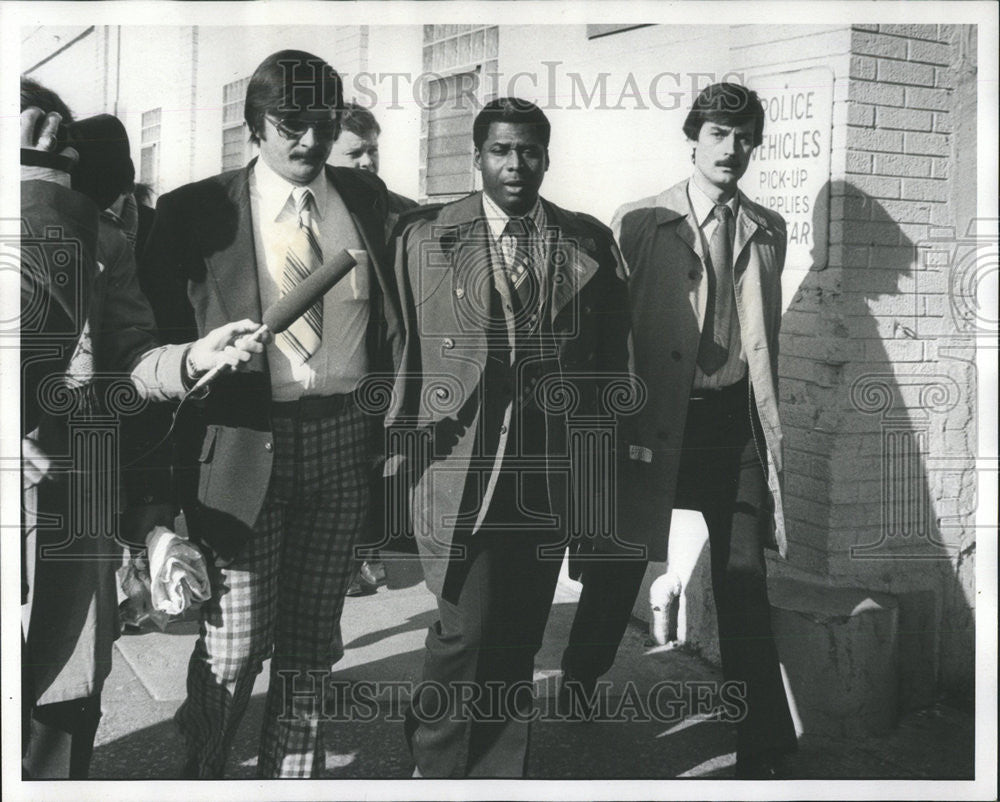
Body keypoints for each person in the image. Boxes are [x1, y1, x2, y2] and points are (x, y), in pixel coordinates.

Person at [136, 50, 400, 778]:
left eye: (321, 123)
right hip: (242, 448)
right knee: (235, 641)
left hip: (343, 442)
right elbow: (148, 341)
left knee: (314, 640)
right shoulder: (195, 213)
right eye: (290, 123)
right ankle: (203, 775)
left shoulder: (369, 202)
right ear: (256, 124)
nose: (308, 140)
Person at [386, 97, 632, 777]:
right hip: (459, 466)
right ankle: (434, 766)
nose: (515, 164)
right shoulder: (425, 238)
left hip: (546, 474)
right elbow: (400, 352)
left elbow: (612, 360)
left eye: (528, 151)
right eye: (500, 150)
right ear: (478, 156)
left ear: (545, 158)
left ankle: (498, 776)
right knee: (462, 633)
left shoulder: (584, 241)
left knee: (520, 635)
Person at [559, 82, 797, 779]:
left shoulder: (768, 228)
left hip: (732, 428)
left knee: (743, 577)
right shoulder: (639, 221)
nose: (733, 149)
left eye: (745, 136)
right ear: (693, 138)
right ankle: (578, 675)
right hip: (656, 422)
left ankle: (764, 742)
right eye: (720, 133)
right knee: (619, 562)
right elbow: (606, 330)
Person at [19, 85, 258, 779]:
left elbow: (129, 358)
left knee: (62, 706)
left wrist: (191, 359)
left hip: (71, 499)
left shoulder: (97, 236)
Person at [329, 101, 418, 241]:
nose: (368, 162)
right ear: (326, 156)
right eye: (355, 153)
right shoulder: (310, 210)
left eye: (372, 151)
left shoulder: (407, 210)